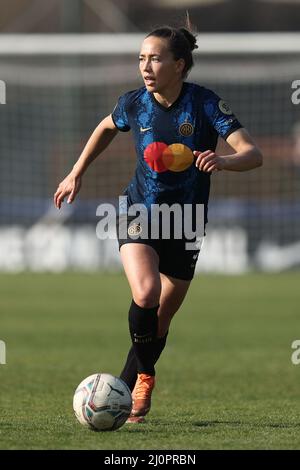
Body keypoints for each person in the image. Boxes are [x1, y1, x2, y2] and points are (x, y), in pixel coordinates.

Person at [54, 23, 262, 424]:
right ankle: (140, 381)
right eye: (141, 59)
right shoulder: (133, 103)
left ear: (179, 65)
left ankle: (133, 377)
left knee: (161, 317)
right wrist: (76, 172)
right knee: (147, 293)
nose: (145, 67)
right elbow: (104, 127)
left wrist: (223, 160)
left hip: (185, 222)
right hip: (138, 211)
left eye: (155, 58)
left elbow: (253, 154)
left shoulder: (205, 105)